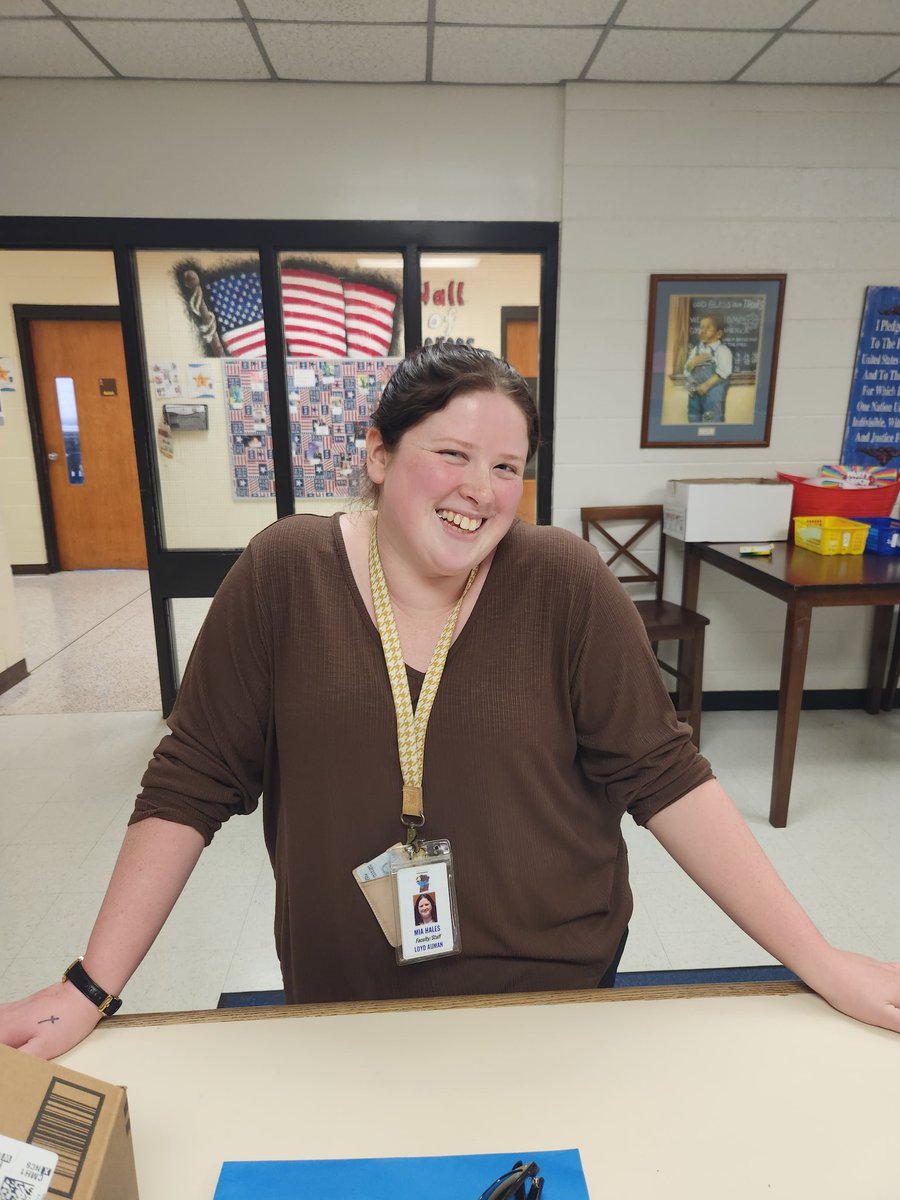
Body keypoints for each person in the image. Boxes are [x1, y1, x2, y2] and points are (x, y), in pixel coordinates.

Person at [2, 343, 899, 1061]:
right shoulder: (283, 572)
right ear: (381, 453)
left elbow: (665, 777)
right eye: (453, 454)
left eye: (508, 466)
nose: (483, 489)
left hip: (550, 990)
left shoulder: (562, 580)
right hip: (342, 997)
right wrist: (89, 986)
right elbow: (191, 779)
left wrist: (817, 962)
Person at [684, 313, 732, 423]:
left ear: (719, 334)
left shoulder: (722, 350)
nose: (703, 331)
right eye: (701, 328)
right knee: (693, 417)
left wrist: (706, 385)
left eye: (708, 328)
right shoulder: (695, 350)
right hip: (694, 392)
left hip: (712, 393)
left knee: (710, 419)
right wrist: (692, 363)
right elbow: (686, 371)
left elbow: (723, 372)